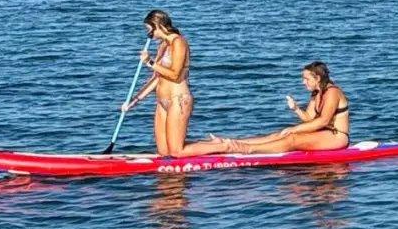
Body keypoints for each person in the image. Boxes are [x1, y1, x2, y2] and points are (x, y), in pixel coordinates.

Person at [184, 61, 352, 155]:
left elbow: (322, 121)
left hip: (337, 137)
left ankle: (248, 149)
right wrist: (295, 109)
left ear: (317, 78)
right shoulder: (317, 93)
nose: (303, 82)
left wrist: (294, 129)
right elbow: (309, 118)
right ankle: (232, 143)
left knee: (291, 138)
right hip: (323, 133)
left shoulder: (332, 92)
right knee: (277, 134)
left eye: (306, 79)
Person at [123, 9, 195, 156]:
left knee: (176, 151)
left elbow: (175, 74)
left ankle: (226, 146)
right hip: (162, 102)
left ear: (158, 25)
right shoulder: (162, 45)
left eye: (149, 29)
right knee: (164, 152)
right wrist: (134, 101)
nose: (148, 33)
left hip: (178, 99)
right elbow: (156, 78)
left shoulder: (178, 42)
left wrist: (149, 62)